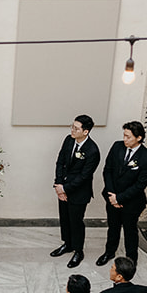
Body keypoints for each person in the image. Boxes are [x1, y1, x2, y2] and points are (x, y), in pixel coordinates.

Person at [98, 121, 147, 265]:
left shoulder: (146, 158)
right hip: (112, 197)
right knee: (113, 227)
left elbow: (140, 185)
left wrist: (120, 198)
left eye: (128, 137)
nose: (125, 139)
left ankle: (131, 258)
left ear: (139, 138)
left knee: (130, 231)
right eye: (124, 135)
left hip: (131, 202)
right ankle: (109, 252)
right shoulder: (117, 147)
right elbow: (108, 170)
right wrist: (112, 195)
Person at [51, 114, 101, 268]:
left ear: (85, 132)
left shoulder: (92, 150)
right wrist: (59, 185)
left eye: (76, 128)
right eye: (72, 126)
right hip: (62, 188)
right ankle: (67, 244)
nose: (72, 130)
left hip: (79, 192)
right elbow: (60, 161)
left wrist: (65, 189)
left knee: (76, 222)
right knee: (64, 219)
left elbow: (84, 176)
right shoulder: (68, 140)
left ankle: (78, 251)